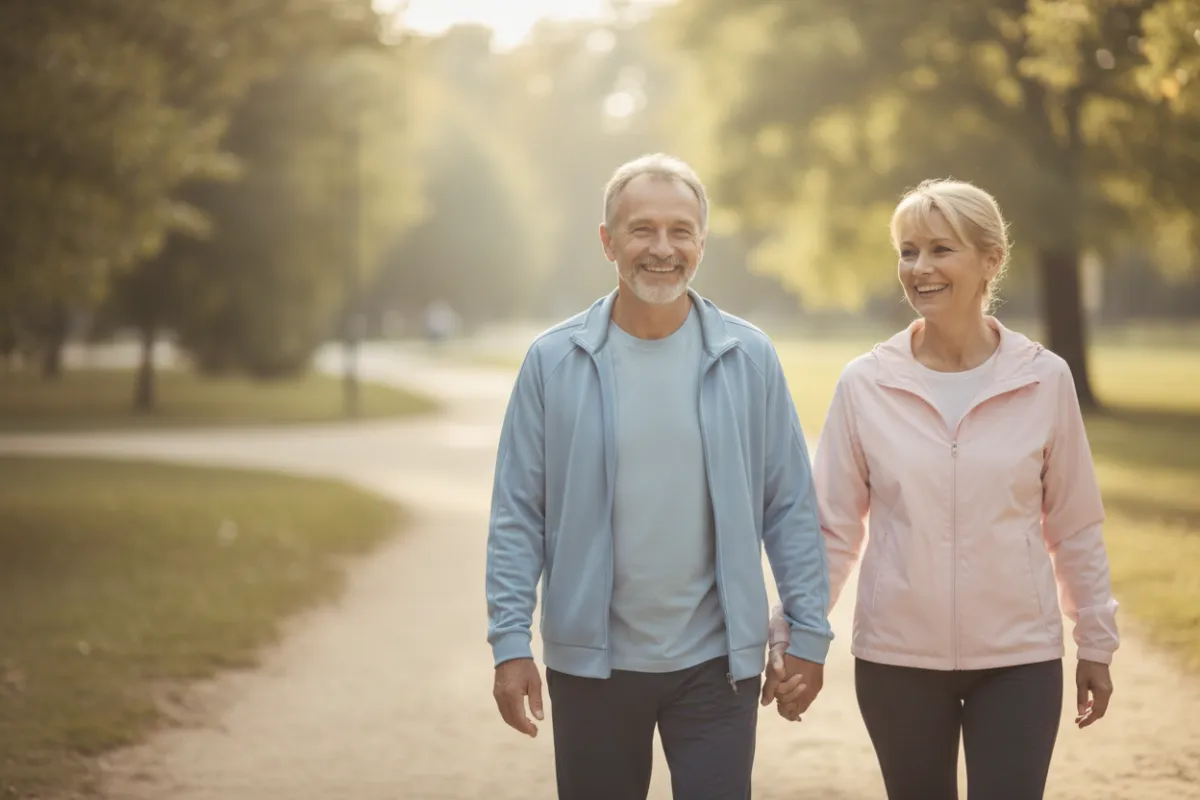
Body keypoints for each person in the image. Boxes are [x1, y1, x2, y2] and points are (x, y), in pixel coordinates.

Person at [485, 153, 832, 800]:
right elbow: (517, 514)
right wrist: (509, 642)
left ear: (702, 241)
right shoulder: (553, 361)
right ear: (607, 240)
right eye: (642, 229)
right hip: (592, 668)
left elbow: (788, 505)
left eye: (681, 231)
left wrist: (808, 631)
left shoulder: (748, 357)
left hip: (716, 667)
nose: (662, 248)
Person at [769, 178, 1119, 800]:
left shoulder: (1045, 379)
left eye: (939, 249)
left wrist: (1094, 638)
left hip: (1019, 659)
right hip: (897, 660)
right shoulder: (865, 384)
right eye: (908, 251)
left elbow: (1073, 524)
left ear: (991, 260)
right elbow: (831, 530)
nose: (919, 268)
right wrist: (797, 634)